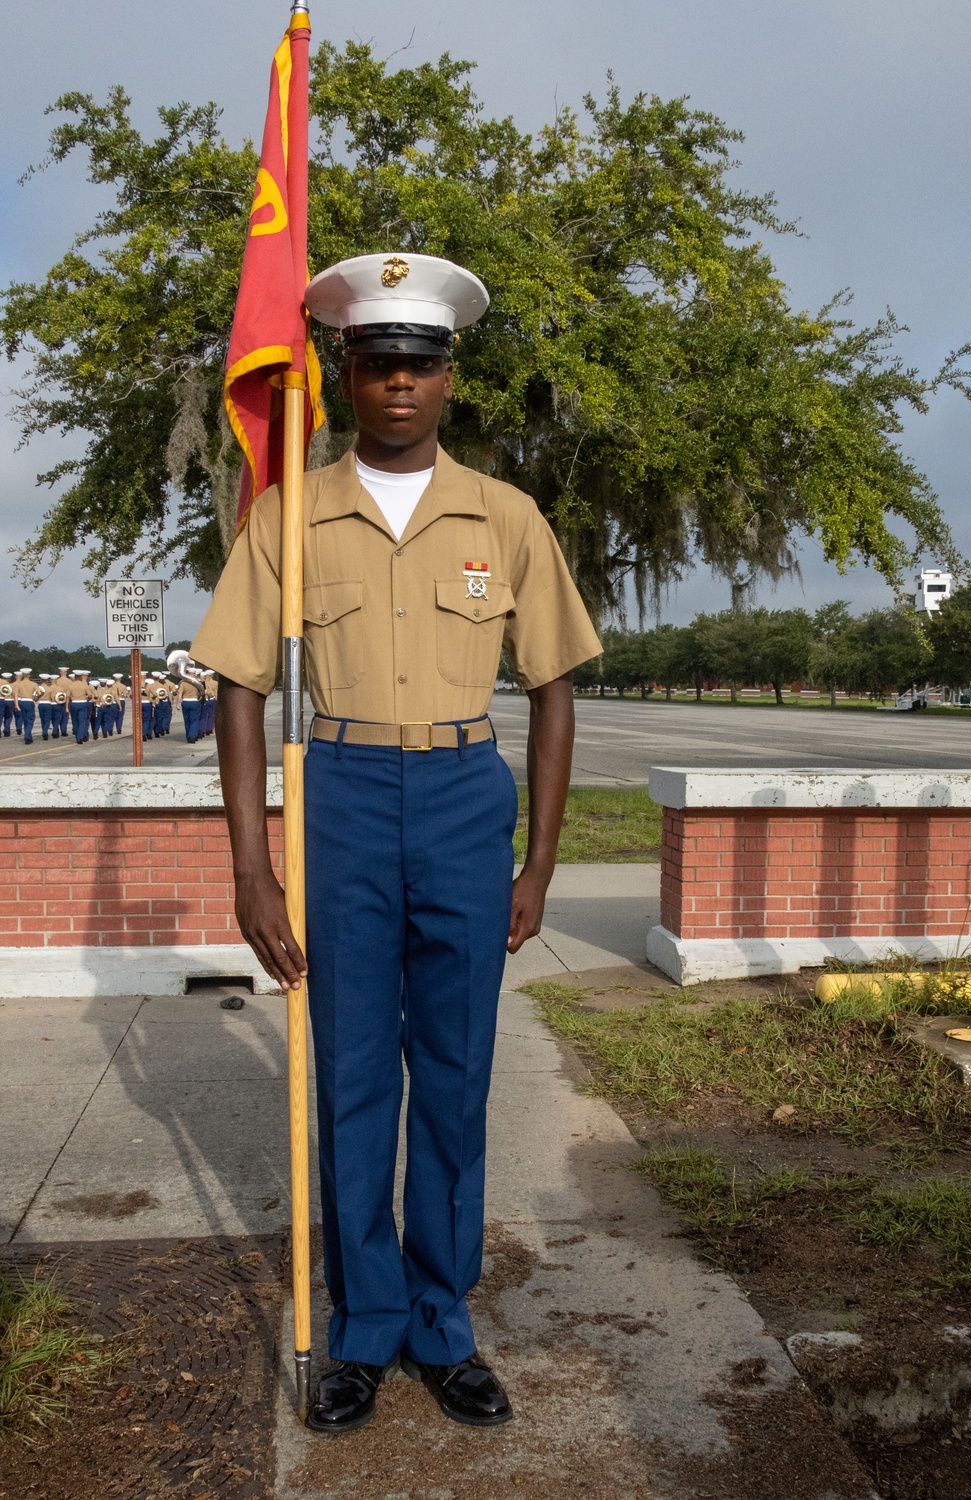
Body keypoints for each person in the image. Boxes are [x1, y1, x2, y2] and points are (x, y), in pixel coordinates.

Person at [192, 253, 601, 1437]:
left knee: (458, 1075)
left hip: (468, 796)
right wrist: (254, 866)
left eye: (421, 364)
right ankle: (365, 1330)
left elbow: (556, 689)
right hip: (345, 796)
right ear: (345, 374)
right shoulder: (291, 516)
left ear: (449, 379)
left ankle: (442, 1322)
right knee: (354, 1072)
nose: (401, 384)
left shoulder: (507, 515)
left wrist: (538, 861)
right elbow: (238, 689)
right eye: (378, 363)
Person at [14, 669, 40, 745]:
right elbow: (39, 692)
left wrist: (16, 705)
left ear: (22, 675)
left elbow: (15, 695)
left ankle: (29, 736)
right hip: (30, 702)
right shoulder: (33, 684)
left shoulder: (19, 684)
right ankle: (27, 736)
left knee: (25, 720)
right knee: (30, 720)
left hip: (22, 702)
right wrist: (37, 698)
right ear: (29, 675)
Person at [67, 670, 92, 744]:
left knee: (75, 721)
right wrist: (88, 698)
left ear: (74, 677)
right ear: (81, 677)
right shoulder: (85, 685)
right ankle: (79, 737)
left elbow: (67, 696)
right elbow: (90, 695)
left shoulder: (70, 686)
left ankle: (77, 735)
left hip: (74, 704)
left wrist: (67, 707)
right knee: (82, 721)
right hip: (83, 703)